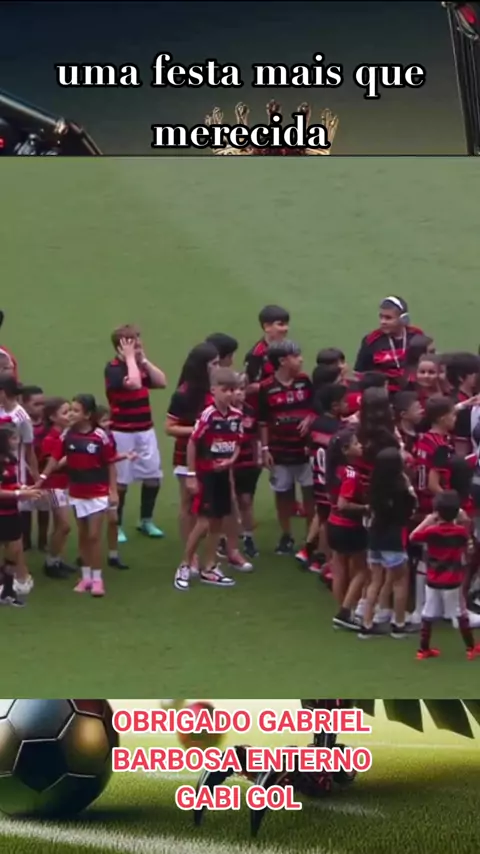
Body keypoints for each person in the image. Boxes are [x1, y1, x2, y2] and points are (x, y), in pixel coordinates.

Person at [174, 368, 243, 591]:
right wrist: (191, 475)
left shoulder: (236, 416)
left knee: (218, 522)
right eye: (225, 390)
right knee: (203, 522)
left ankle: (210, 566)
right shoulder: (208, 415)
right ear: (213, 390)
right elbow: (193, 443)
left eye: (233, 390)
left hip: (222, 474)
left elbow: (238, 443)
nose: (230, 394)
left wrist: (231, 460)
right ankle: (185, 564)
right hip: (206, 475)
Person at [42, 394, 117, 597]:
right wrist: (42, 478)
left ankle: (98, 579)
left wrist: (113, 490)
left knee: (94, 536)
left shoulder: (100, 436)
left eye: (75, 411)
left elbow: (110, 463)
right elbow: (55, 457)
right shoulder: (67, 435)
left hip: (98, 493)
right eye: (70, 411)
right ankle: (85, 577)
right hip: (76, 492)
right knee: (83, 536)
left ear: (88, 414)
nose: (71, 414)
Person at [105, 325, 167, 543]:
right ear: (121, 346)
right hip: (122, 433)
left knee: (153, 478)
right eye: (133, 342)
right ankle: (117, 525)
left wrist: (144, 360)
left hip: (145, 430)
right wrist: (131, 359)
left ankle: (146, 520)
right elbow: (134, 383)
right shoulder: (113, 369)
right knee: (121, 482)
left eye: (138, 340)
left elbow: (161, 382)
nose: (139, 344)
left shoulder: (138, 365)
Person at [258, 340, 314, 555]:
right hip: (280, 451)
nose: (301, 360)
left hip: (305, 450)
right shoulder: (266, 388)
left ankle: (311, 537)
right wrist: (265, 449)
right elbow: (263, 421)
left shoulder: (305, 381)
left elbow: (316, 407)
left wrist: (310, 418)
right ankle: (286, 534)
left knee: (310, 493)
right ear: (282, 361)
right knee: (283, 494)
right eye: (296, 356)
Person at [410, 491, 480, 660]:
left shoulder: (431, 531)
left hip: (432, 579)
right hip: (453, 580)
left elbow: (413, 536)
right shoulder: (460, 532)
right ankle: (470, 647)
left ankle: (423, 649)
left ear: (437, 512)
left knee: (428, 612)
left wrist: (427, 521)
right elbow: (470, 547)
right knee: (460, 613)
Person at [165, 342, 219, 556]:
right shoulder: (183, 394)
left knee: (214, 505)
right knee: (188, 504)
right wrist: (199, 429)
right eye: (213, 364)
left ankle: (212, 552)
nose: (218, 367)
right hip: (186, 456)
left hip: (215, 456)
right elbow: (169, 428)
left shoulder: (216, 390)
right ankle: (191, 555)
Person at [358, 447, 417, 639]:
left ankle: (367, 624)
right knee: (400, 581)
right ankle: (399, 625)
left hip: (375, 537)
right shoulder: (400, 488)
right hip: (393, 537)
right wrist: (408, 486)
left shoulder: (374, 486)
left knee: (375, 581)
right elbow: (411, 508)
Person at [296, 383, 348, 571]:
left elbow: (309, 448)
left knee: (322, 513)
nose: (348, 404)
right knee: (329, 519)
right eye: (345, 401)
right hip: (332, 481)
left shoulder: (315, 424)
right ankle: (321, 558)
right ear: (335, 406)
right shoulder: (340, 429)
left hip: (317, 478)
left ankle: (307, 550)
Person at [325, 428, 368, 629]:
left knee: (339, 570)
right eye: (356, 443)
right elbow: (344, 504)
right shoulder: (350, 473)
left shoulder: (333, 470)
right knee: (362, 571)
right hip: (349, 526)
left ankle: (342, 610)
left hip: (332, 524)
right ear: (345, 449)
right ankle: (345, 612)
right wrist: (366, 508)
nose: (361, 446)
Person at [0, 423, 42, 606]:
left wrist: (25, 488)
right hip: (2, 513)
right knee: (11, 549)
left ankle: (7, 590)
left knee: (15, 550)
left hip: (11, 511)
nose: (17, 442)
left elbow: (10, 484)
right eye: (14, 438)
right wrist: (19, 493)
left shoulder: (11, 460)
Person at [37, 397, 75, 579]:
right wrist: (72, 454)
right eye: (65, 412)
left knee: (61, 526)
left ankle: (56, 560)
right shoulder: (50, 439)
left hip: (65, 484)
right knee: (64, 526)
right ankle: (51, 562)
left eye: (71, 411)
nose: (70, 415)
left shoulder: (66, 434)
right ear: (53, 417)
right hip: (53, 486)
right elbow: (50, 466)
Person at [354, 296, 424, 393]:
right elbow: (359, 374)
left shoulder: (417, 336)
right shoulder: (371, 340)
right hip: (382, 395)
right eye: (381, 317)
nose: (383, 322)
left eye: (388, 318)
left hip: (414, 393)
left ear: (404, 319)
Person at [232, 374, 261, 559]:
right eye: (234, 389)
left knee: (246, 500)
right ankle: (227, 538)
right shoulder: (221, 412)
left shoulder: (250, 411)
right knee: (229, 501)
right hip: (227, 464)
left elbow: (257, 436)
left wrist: (259, 457)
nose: (238, 393)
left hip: (247, 463)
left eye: (242, 389)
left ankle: (248, 537)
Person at [19, 384, 49, 552]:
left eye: (42, 403)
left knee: (44, 508)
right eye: (36, 404)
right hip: (26, 473)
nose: (41, 407)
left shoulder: (47, 423)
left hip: (45, 472)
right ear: (24, 404)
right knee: (26, 509)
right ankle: (26, 541)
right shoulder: (22, 424)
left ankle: (43, 541)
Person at [244, 305, 290, 400]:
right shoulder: (256, 354)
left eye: (286, 324)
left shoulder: (290, 348)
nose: (286, 328)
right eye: (280, 324)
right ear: (267, 327)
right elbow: (250, 387)